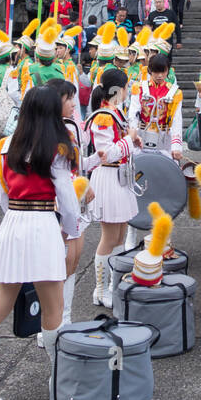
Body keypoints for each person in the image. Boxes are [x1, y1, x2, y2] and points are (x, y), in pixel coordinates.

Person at [0, 85, 77, 400]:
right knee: (54, 308)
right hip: (43, 223)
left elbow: (3, 193)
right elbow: (68, 199)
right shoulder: (59, 147)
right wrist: (69, 230)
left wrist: (17, 216)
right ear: (51, 112)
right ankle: (59, 386)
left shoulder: (7, 145)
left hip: (13, 225)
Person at [86, 68, 136, 308]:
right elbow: (106, 154)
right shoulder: (104, 116)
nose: (128, 90)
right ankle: (100, 288)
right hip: (108, 176)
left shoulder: (116, 113)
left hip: (121, 176)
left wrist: (131, 140)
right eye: (126, 86)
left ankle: (113, 284)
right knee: (109, 236)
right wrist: (129, 140)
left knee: (120, 235)